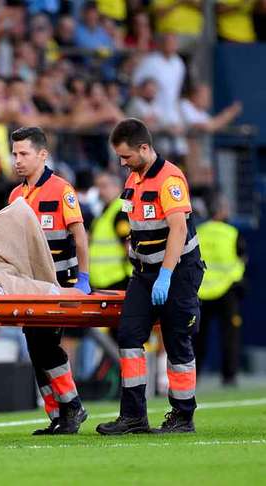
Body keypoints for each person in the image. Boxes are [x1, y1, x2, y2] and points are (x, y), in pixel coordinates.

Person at [97, 118, 204, 435]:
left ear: (144, 148)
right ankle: (133, 416)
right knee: (129, 338)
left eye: (126, 156)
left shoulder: (170, 179)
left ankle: (183, 416)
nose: (122, 162)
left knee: (176, 343)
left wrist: (166, 275)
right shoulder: (133, 179)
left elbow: (179, 228)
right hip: (143, 274)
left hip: (178, 272)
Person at [6, 127, 89, 435]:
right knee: (36, 347)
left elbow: (79, 235)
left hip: (58, 284)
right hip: (29, 284)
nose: (17, 160)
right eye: (15, 153)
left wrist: (83, 278)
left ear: (42, 155)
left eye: (23, 153)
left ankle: (72, 406)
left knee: (45, 345)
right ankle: (58, 414)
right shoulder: (16, 195)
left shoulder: (61, 189)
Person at [195, 193, 246, 386]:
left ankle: (194, 375)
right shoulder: (232, 232)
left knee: (198, 338)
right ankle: (229, 376)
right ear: (223, 211)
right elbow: (241, 258)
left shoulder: (200, 231)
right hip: (227, 290)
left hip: (201, 291)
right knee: (230, 336)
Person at [90, 172, 132, 291]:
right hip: (104, 281)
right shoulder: (105, 210)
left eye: (104, 186)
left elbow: (129, 246)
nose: (100, 191)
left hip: (118, 279)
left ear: (117, 187)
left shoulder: (122, 210)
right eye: (97, 186)